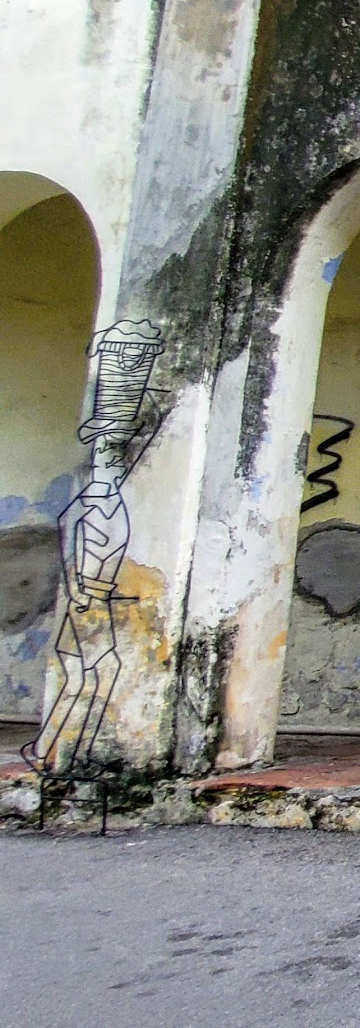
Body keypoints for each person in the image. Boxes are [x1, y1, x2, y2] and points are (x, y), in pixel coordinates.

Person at [23, 319, 162, 775]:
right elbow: (80, 540)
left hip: (93, 595)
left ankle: (61, 747)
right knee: (85, 671)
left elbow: (98, 546)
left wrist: (89, 587)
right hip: (87, 596)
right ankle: (56, 748)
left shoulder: (105, 502)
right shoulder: (95, 500)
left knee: (94, 671)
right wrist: (82, 587)